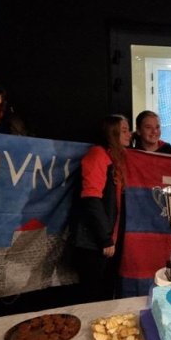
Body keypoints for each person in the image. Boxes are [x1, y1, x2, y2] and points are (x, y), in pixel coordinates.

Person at [70, 115, 131, 302]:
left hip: (107, 240)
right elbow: (91, 199)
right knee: (93, 296)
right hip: (94, 243)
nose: (129, 134)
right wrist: (104, 238)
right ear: (112, 132)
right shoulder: (97, 155)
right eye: (124, 130)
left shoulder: (116, 157)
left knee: (106, 293)